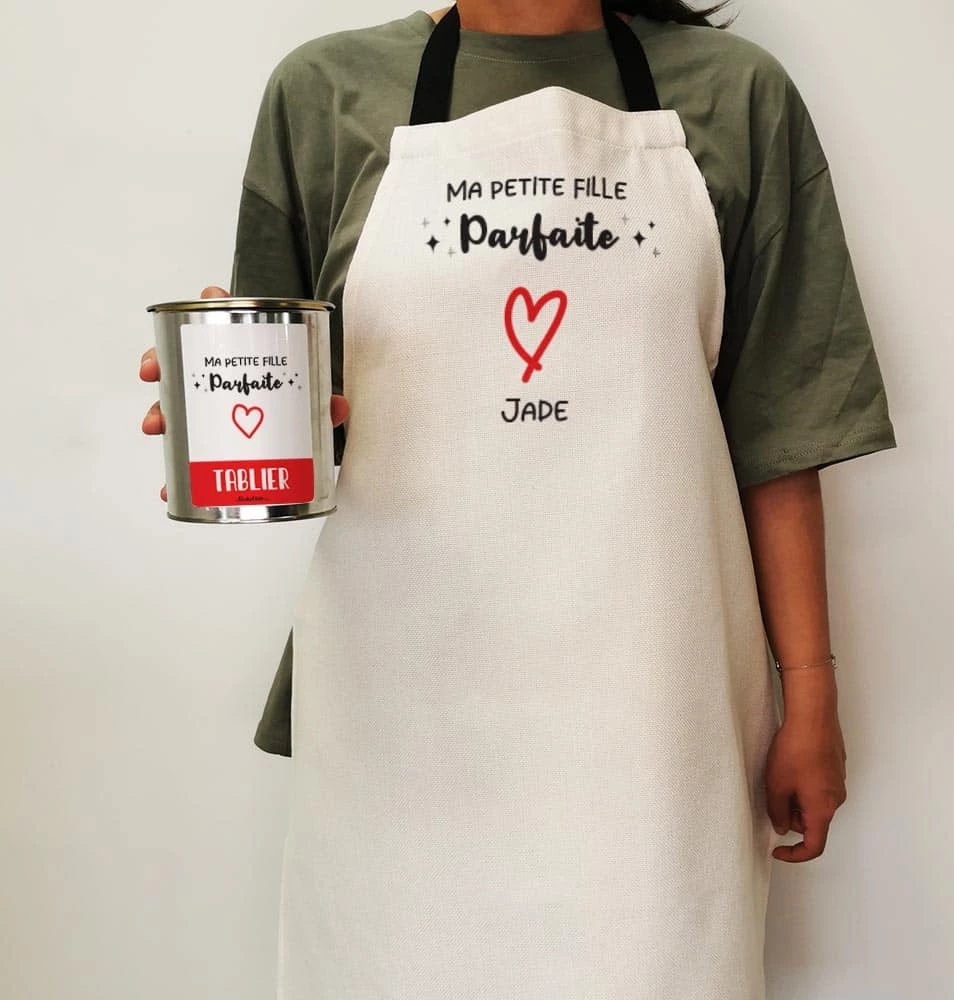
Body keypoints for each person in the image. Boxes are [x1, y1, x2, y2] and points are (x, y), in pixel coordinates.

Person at [139, 2, 898, 997]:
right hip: (406, 713)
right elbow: (296, 416)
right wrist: (231, 408)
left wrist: (812, 695)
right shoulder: (322, 93)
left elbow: (783, 428)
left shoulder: (736, 93)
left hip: (655, 714)